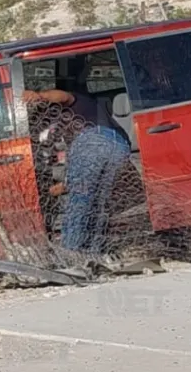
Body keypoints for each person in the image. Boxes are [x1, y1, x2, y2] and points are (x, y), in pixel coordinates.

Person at [22, 87, 132, 253]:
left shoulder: (73, 104)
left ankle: (71, 253)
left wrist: (39, 96)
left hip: (94, 139)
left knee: (79, 202)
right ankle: (93, 253)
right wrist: (61, 187)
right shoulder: (87, 117)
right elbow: (82, 174)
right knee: (99, 204)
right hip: (120, 147)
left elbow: (65, 96)